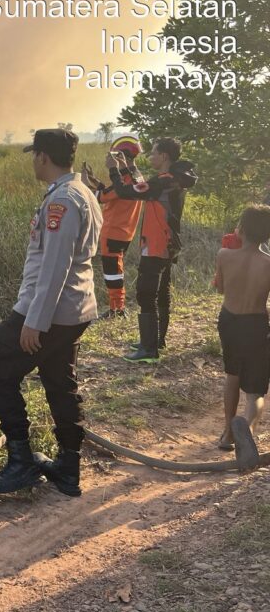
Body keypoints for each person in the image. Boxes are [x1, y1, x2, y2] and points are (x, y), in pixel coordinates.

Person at [0, 128, 101, 497]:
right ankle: (67, 465)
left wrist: (34, 321)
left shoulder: (62, 200)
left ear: (44, 157)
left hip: (53, 310)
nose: (33, 161)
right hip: (74, 309)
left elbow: (55, 265)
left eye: (35, 155)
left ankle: (21, 461)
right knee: (58, 380)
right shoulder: (85, 193)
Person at [106, 138, 198, 362]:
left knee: (146, 293)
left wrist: (114, 171)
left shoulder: (162, 181)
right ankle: (157, 341)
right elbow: (143, 186)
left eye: (154, 153)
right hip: (169, 242)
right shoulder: (173, 179)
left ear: (164, 156)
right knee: (162, 292)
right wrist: (129, 167)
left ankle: (148, 350)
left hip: (156, 243)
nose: (150, 157)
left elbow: (126, 191)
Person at [213, 205, 270, 462]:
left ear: (242, 229)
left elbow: (220, 288)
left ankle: (227, 434)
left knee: (232, 376)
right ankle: (246, 429)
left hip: (228, 321)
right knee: (256, 391)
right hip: (255, 323)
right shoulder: (268, 264)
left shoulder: (224, 254)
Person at [82, 134, 144, 318]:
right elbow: (110, 191)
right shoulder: (136, 178)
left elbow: (98, 197)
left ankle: (116, 309)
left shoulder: (123, 182)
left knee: (112, 273)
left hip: (112, 233)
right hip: (126, 233)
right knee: (116, 270)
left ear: (120, 156)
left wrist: (85, 182)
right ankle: (118, 307)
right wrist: (94, 179)